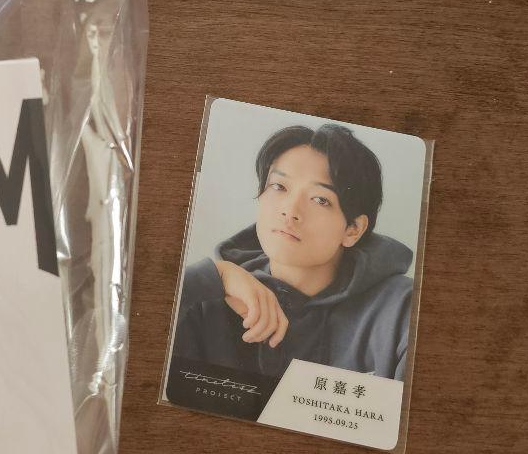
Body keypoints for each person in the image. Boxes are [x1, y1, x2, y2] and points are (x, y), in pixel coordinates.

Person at [173, 123, 412, 381]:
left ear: (353, 229)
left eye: (320, 199)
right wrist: (216, 275)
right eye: (279, 186)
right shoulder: (207, 296)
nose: (290, 210)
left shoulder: (401, 311)